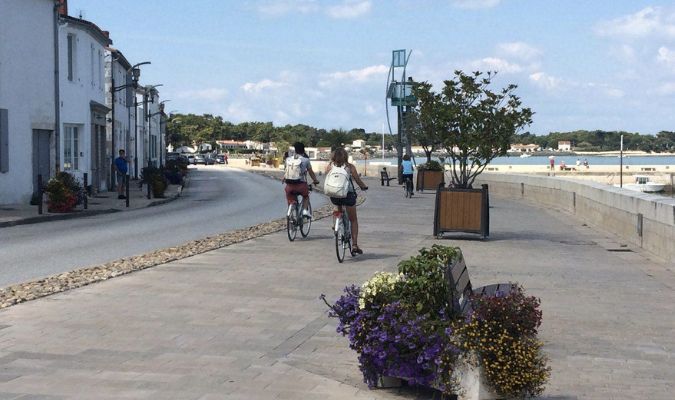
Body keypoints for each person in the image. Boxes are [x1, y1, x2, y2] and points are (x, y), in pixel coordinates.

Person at [325, 148, 368, 254]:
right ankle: (354, 245)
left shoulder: (330, 166)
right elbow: (357, 180)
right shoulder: (350, 167)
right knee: (353, 220)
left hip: (334, 195)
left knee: (338, 206)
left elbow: (328, 177)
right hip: (348, 195)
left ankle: (336, 222)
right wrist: (363, 187)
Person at [283, 142, 319, 218]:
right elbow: (311, 172)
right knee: (306, 196)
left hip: (289, 186)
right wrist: (315, 180)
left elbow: (286, 171)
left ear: (295, 150)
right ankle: (305, 210)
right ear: (303, 150)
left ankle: (291, 213)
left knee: (290, 198)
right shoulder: (306, 160)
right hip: (301, 185)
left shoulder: (288, 159)